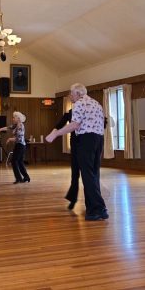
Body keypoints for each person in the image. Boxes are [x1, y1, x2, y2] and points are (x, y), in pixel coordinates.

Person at [46, 83, 108, 221]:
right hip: (99, 140)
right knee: (93, 175)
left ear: (79, 93)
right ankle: (95, 209)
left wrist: (55, 134)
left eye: (71, 93)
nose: (70, 96)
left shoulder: (79, 103)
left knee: (87, 175)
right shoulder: (96, 103)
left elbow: (74, 125)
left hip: (86, 140)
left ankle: (98, 208)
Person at [51, 107, 79, 210]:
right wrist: (53, 132)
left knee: (87, 176)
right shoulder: (70, 112)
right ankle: (73, 199)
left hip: (85, 145)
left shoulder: (87, 109)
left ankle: (91, 202)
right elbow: (60, 124)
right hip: (75, 145)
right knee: (75, 174)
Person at [0, 111, 30, 184]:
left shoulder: (20, 126)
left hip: (20, 146)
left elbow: (19, 138)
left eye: (14, 117)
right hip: (20, 145)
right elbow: (7, 127)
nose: (13, 119)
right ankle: (26, 177)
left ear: (18, 118)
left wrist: (10, 139)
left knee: (14, 161)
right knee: (19, 162)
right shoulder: (16, 125)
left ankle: (19, 178)